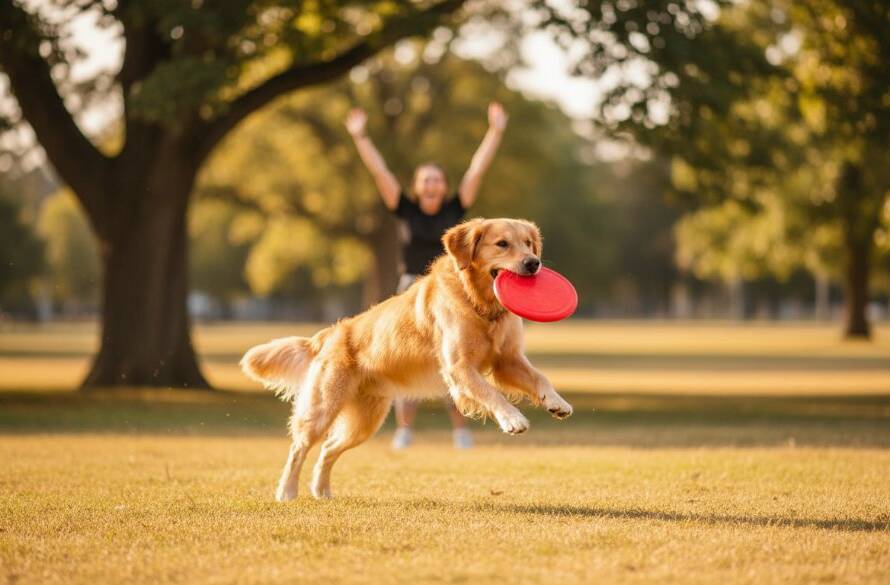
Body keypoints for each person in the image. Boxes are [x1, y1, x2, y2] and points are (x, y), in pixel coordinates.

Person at [345, 101, 509, 450]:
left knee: (457, 358)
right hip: (411, 294)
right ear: (418, 187)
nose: (432, 184)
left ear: (444, 186)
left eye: (437, 180)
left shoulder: (454, 209)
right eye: (426, 180)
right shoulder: (405, 209)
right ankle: (404, 429)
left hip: (452, 294)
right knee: (411, 361)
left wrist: (495, 131)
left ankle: (460, 430)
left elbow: (477, 171)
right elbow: (380, 173)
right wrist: (360, 136)